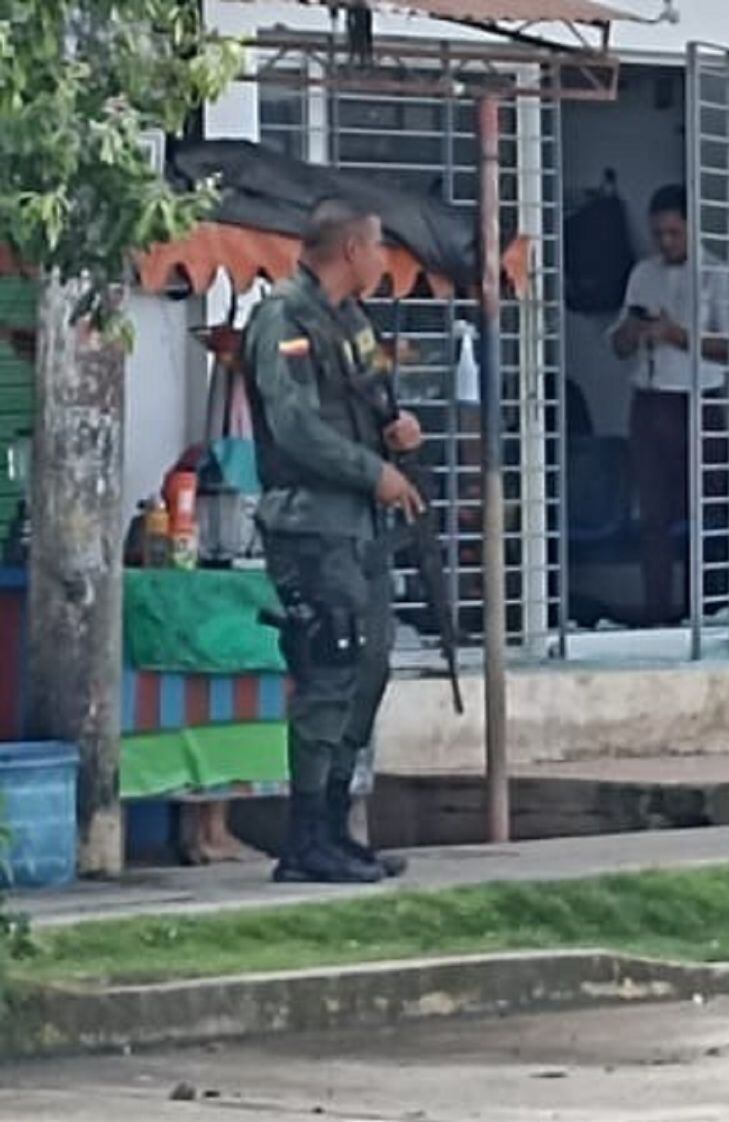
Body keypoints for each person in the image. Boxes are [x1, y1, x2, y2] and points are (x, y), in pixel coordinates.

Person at [243, 198, 426, 884]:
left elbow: (367, 401)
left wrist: (398, 433)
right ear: (351, 249)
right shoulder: (283, 320)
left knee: (367, 670)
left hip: (362, 528)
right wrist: (371, 472)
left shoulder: (353, 321)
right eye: (378, 247)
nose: (383, 261)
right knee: (329, 670)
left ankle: (334, 827)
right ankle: (303, 841)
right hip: (312, 526)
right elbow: (293, 427)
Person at [609, 184, 729, 625]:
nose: (665, 242)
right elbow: (618, 342)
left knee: (708, 509)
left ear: (692, 227)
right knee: (653, 514)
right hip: (649, 402)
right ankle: (658, 611)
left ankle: (712, 611)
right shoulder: (642, 274)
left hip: (698, 403)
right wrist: (631, 333)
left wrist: (676, 334)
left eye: (673, 233)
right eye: (658, 233)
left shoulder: (718, 275)